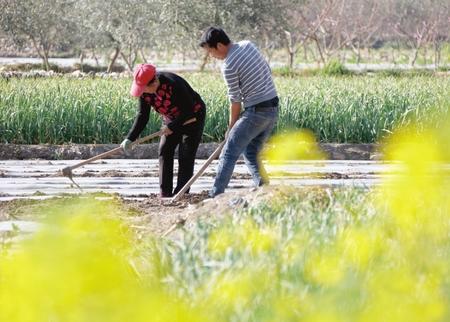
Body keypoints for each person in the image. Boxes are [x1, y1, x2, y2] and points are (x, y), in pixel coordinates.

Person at [200, 27, 279, 197]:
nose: (211, 56)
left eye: (211, 51)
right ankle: (264, 189)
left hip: (256, 112)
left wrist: (231, 128)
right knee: (250, 152)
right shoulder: (248, 45)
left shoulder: (228, 65)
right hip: (272, 109)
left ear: (220, 45)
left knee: (228, 153)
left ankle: (215, 195)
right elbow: (266, 69)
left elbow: (235, 101)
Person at [121, 64, 206, 198]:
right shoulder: (144, 93)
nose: (143, 92)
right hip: (171, 118)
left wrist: (172, 127)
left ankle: (181, 193)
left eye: (145, 88)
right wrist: (130, 138)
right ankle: (165, 193)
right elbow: (143, 116)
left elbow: (188, 110)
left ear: (154, 82)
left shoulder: (174, 84)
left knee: (186, 155)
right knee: (165, 150)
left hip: (192, 117)